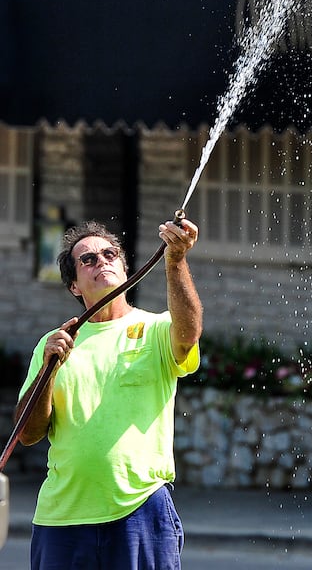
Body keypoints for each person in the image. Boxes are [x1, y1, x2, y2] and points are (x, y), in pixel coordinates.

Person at [15, 216, 203, 570]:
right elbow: (28, 432)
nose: (101, 261)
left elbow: (188, 334)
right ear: (74, 285)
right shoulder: (53, 343)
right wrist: (48, 368)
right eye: (88, 259)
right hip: (62, 519)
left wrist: (176, 261)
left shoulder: (156, 328)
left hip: (141, 509)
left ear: (125, 266)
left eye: (110, 254)